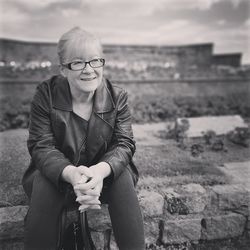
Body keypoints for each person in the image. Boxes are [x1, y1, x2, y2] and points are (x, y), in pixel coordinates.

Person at [22, 27, 145, 250]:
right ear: (63, 69)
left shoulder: (118, 97)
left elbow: (124, 144)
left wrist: (99, 172)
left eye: (95, 61)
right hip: (59, 177)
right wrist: (71, 174)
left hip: (103, 179)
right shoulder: (45, 94)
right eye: (78, 63)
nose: (89, 70)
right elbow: (41, 146)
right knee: (43, 182)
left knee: (123, 178)